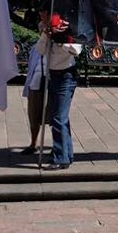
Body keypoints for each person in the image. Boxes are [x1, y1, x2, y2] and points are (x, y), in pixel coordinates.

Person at [35, 20, 83, 170]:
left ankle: (60, 157)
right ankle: (66, 153)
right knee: (60, 117)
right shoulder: (49, 35)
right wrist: (45, 35)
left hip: (66, 76)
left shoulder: (70, 33)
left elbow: (77, 50)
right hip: (53, 76)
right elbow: (40, 50)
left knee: (58, 117)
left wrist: (61, 41)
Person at [21, 39, 46, 155]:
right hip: (35, 85)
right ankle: (33, 143)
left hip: (50, 86)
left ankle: (59, 146)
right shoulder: (35, 48)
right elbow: (31, 68)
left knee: (54, 117)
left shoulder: (56, 47)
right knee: (33, 115)